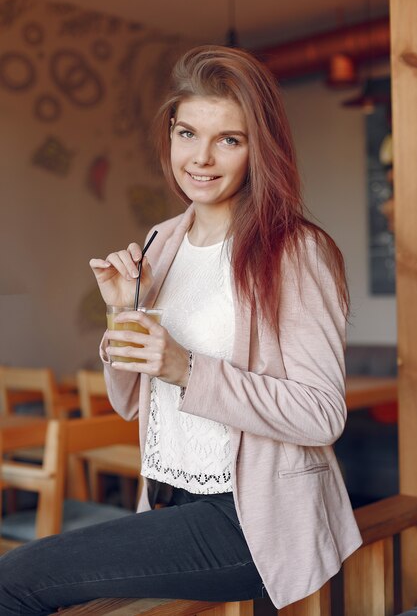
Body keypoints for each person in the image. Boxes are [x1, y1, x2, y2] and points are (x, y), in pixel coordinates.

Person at [0, 45, 362, 614]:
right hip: (167, 500)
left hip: (249, 518)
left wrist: (185, 367)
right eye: (188, 133)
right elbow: (129, 399)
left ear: (258, 150)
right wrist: (125, 313)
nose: (202, 158)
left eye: (229, 140)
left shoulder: (294, 252)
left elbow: (321, 413)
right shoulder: (160, 242)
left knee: (14, 578)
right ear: (170, 132)